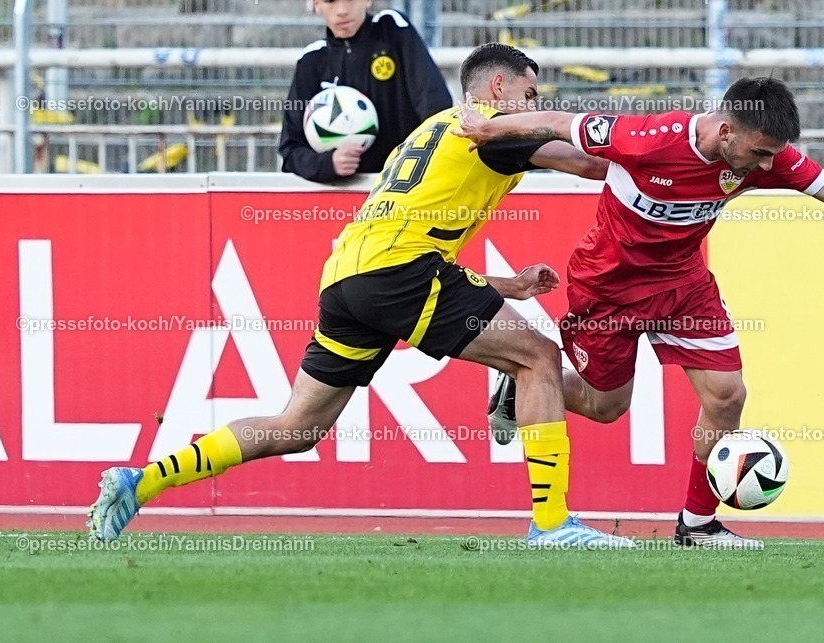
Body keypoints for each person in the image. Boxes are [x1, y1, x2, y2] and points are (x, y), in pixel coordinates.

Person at [88, 43, 633, 549]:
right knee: (537, 356)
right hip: (399, 274)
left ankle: (142, 482)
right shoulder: (492, 126)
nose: (535, 106)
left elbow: (413, 243)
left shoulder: (432, 130)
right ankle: (552, 523)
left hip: (349, 279)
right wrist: (673, 157)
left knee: (295, 427)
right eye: (530, 94)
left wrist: (508, 286)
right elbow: (592, 164)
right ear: (497, 88)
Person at [455, 76, 824, 549]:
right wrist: (490, 129)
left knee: (727, 396)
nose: (768, 165)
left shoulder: (764, 155)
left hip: (684, 287)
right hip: (607, 290)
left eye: (772, 155)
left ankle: (698, 524)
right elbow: (558, 122)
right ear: (726, 132)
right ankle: (522, 393)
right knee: (606, 407)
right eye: (760, 153)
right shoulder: (647, 139)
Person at [279, 0, 452, 183]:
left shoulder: (393, 30)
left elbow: (435, 106)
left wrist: (419, 166)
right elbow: (290, 150)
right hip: (339, 199)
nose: (341, 10)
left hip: (403, 187)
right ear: (315, 1)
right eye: (330, 0)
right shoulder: (311, 61)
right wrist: (327, 163)